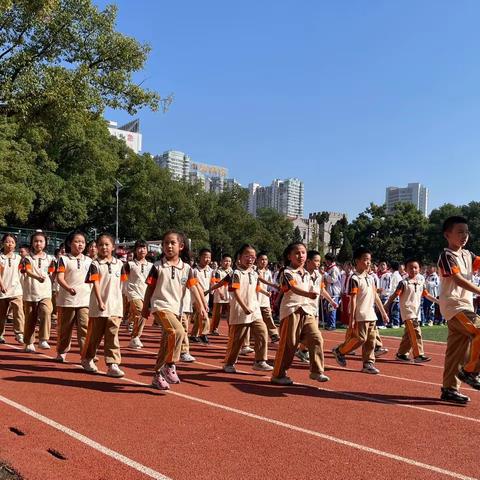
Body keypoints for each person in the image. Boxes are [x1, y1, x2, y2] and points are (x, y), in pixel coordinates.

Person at [142, 230, 207, 390]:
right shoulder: (157, 267)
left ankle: (157, 375)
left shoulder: (187, 269)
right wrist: (145, 307)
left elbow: (193, 288)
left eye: (173, 243)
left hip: (176, 309)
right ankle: (170, 365)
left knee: (166, 344)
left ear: (181, 246)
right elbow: (150, 288)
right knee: (178, 332)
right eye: (165, 243)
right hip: (160, 306)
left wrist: (201, 307)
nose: (169, 246)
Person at [271, 242, 330, 385]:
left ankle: (316, 371)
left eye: (303, 252)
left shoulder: (309, 273)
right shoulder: (286, 272)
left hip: (307, 311)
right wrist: (308, 294)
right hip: (292, 310)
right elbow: (292, 288)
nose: (301, 256)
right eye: (297, 253)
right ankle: (278, 374)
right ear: (289, 256)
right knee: (289, 344)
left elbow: (317, 290)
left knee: (316, 338)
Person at [437, 216, 480, 404]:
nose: (464, 236)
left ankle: (449, 389)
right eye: (460, 232)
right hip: (455, 306)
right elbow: (457, 279)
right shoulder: (446, 256)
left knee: (456, 351)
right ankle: (471, 371)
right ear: (448, 235)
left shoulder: (468, 255)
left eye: (466, 232)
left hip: (465, 306)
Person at [332, 247, 389, 374]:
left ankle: (368, 363)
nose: (368, 262)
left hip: (371, 315)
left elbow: (375, 296)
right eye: (365, 259)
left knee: (371, 340)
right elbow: (353, 299)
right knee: (360, 339)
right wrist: (352, 318)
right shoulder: (354, 279)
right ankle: (340, 351)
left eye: (369, 260)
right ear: (357, 261)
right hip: (361, 314)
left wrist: (383, 312)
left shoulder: (370, 278)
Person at [81, 233, 127, 378]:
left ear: (113, 247)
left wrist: (123, 303)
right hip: (99, 306)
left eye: (107, 244)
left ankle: (113, 363)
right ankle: (87, 358)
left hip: (115, 306)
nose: (103, 247)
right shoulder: (95, 264)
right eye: (100, 245)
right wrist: (100, 301)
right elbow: (95, 283)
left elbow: (122, 284)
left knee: (112, 335)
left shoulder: (119, 264)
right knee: (95, 336)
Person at [223, 244, 273, 373]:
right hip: (240, 311)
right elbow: (236, 292)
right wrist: (244, 307)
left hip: (254, 309)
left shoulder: (254, 272)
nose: (250, 259)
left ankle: (260, 361)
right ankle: (229, 363)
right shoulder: (236, 273)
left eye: (253, 257)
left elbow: (255, 286)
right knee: (237, 340)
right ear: (240, 257)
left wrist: (267, 290)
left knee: (262, 332)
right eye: (247, 256)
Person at [384, 258, 437, 364]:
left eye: (415, 267)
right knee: (416, 331)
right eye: (410, 268)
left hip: (416, 312)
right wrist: (386, 305)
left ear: (419, 269)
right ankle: (418, 355)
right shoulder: (403, 283)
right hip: (407, 311)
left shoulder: (421, 282)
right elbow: (395, 295)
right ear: (406, 270)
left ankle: (401, 354)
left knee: (409, 334)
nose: (413, 270)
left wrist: (438, 301)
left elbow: (426, 295)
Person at [55, 231, 92, 362]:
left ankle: (86, 355)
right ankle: (62, 351)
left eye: (82, 242)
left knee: (85, 328)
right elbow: (59, 278)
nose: (80, 244)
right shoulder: (63, 259)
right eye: (77, 241)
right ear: (70, 243)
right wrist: (68, 288)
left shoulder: (89, 260)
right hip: (67, 300)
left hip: (85, 299)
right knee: (65, 329)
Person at [21, 231, 55, 352]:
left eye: (41, 241)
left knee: (46, 311)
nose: (38, 243)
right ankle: (29, 342)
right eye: (35, 241)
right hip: (30, 291)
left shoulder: (50, 258)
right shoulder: (27, 258)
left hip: (45, 292)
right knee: (30, 318)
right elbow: (28, 271)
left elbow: (52, 273)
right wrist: (37, 277)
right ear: (32, 243)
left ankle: (43, 339)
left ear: (45, 243)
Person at [126, 240, 153, 350]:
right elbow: (123, 279)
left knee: (142, 314)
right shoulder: (130, 264)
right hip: (133, 293)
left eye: (144, 248)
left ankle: (131, 321)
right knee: (141, 311)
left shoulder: (151, 266)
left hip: (145, 294)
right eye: (140, 248)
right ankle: (136, 336)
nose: (142, 250)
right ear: (135, 250)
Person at [0, 234, 25, 344]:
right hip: (2, 291)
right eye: (7, 241)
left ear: (15, 245)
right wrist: (2, 285)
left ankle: (19, 333)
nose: (9, 244)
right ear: (2, 243)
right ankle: (0, 334)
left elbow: (23, 273)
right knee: (1, 315)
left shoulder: (19, 258)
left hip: (16, 290)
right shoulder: (0, 257)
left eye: (12, 242)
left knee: (19, 311)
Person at [190, 248, 213, 344]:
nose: (207, 259)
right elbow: (194, 284)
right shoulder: (194, 270)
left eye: (209, 257)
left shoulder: (210, 270)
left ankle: (193, 335)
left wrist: (212, 290)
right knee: (203, 315)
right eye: (205, 257)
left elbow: (211, 282)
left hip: (206, 297)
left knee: (198, 316)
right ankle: (204, 334)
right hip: (196, 297)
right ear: (200, 257)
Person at [256, 252, 280, 343]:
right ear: (257, 260)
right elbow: (256, 286)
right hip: (255, 298)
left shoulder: (268, 272)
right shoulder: (254, 271)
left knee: (268, 316)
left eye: (265, 260)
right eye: (262, 259)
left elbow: (271, 284)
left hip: (265, 299)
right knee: (255, 319)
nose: (264, 261)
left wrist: (271, 290)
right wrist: (266, 291)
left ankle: (274, 334)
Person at [209, 253, 233, 335]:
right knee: (217, 314)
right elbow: (216, 283)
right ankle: (214, 329)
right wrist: (220, 292)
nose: (227, 263)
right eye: (226, 261)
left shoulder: (232, 271)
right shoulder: (218, 272)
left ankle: (231, 329)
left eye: (229, 261)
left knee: (230, 313)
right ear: (221, 262)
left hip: (229, 294)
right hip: (219, 295)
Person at [323, 253, 341, 330]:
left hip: (334, 292)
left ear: (330, 260)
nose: (326, 262)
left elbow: (333, 280)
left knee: (332, 308)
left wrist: (325, 274)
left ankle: (332, 325)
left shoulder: (334, 269)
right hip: (328, 292)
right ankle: (329, 323)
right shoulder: (329, 268)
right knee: (328, 308)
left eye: (327, 260)